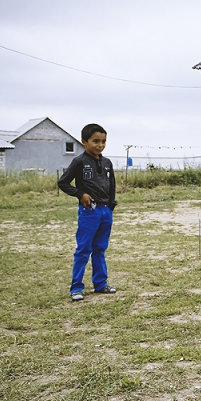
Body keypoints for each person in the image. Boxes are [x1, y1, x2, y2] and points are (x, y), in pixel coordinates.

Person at [58, 123, 118, 302]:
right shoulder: (79, 162)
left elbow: (112, 184)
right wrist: (80, 194)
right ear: (84, 142)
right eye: (96, 141)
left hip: (105, 211)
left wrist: (111, 205)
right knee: (83, 249)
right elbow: (63, 183)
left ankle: (101, 284)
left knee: (100, 248)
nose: (100, 145)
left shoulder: (107, 163)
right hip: (89, 212)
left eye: (103, 141)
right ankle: (76, 288)